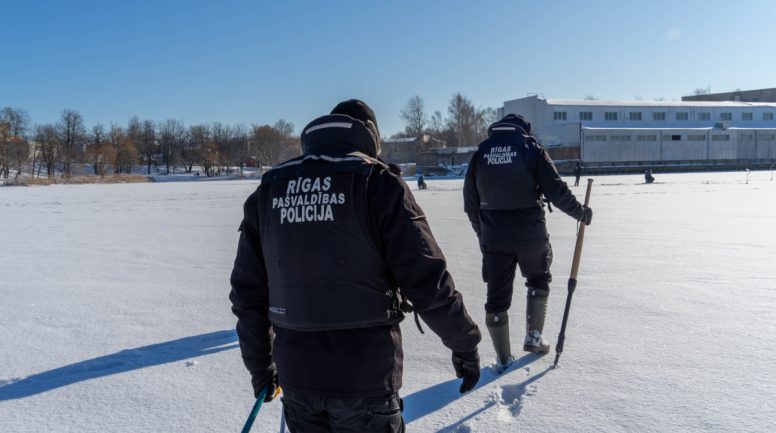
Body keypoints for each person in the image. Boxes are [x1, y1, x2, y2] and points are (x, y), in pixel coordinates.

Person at [230, 99, 482, 432]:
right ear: (370, 137)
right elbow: (427, 280)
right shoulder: (377, 183)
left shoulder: (270, 190)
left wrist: (261, 366)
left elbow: (248, 295)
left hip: (298, 381)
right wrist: (464, 343)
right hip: (366, 382)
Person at [463, 113, 592, 371]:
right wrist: (580, 212)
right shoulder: (531, 149)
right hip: (530, 234)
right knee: (538, 278)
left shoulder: (480, 154)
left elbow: (470, 204)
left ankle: (502, 358)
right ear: (524, 129)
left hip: (494, 236)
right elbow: (556, 191)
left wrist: (483, 234)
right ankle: (534, 338)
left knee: (496, 297)